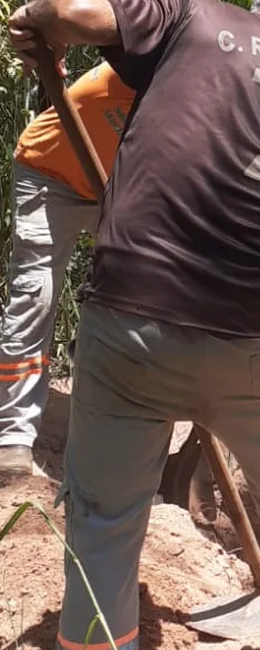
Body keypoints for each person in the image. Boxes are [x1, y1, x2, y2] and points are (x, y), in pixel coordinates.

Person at [8, 0, 260, 650]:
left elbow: (74, 7)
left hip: (128, 315)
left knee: (103, 514)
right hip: (255, 329)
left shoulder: (195, 16)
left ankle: (94, 640)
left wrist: (38, 21)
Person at [0, 61, 133, 477]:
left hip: (112, 188)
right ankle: (13, 440)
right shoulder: (134, 63)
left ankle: (110, 430)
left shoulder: (196, 89)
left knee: (133, 299)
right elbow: (58, 17)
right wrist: (48, 46)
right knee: (35, 294)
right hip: (46, 173)